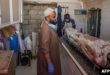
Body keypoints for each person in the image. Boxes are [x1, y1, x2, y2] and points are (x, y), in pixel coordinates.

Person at [37, 8, 62, 75]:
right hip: (48, 60)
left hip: (52, 56)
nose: (55, 19)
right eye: (53, 17)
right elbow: (45, 48)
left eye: (55, 16)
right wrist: (49, 63)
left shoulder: (49, 26)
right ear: (47, 18)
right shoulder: (46, 29)